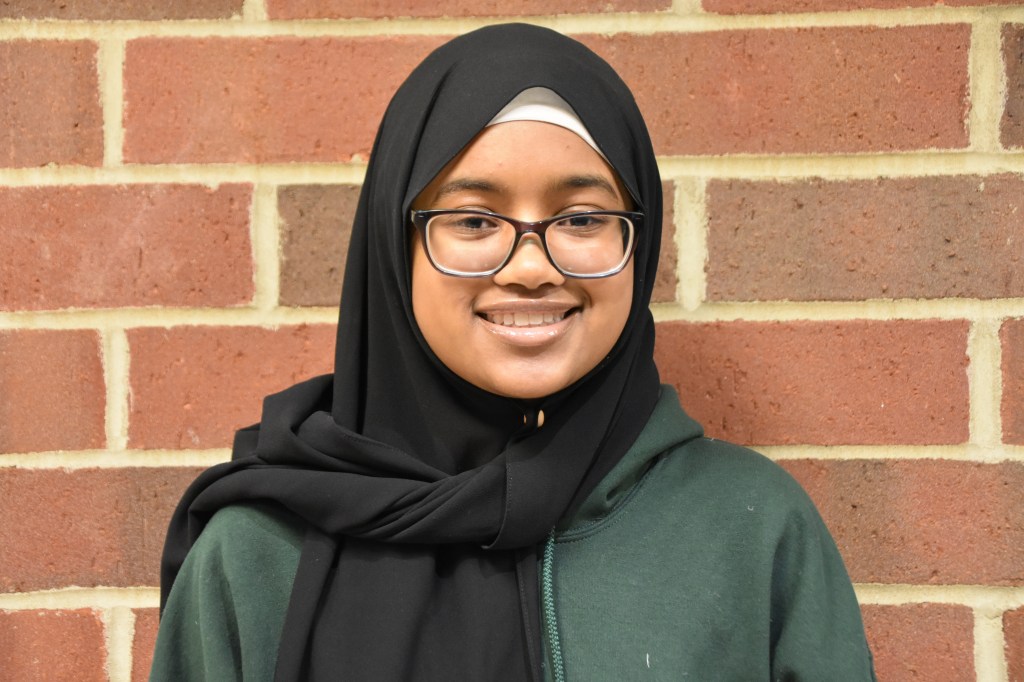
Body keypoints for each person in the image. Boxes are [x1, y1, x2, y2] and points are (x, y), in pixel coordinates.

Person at [150, 23, 876, 682]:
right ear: (396, 250)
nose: (530, 267)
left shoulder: (749, 531)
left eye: (582, 218)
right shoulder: (257, 556)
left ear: (639, 240)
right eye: (473, 220)